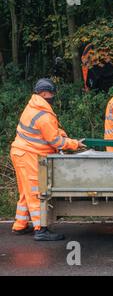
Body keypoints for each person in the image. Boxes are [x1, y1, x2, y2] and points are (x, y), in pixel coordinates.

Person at [10, 78, 85, 241]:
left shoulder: (34, 106)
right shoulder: (43, 114)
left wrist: (62, 134)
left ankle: (20, 225)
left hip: (21, 152)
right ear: (45, 93)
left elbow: (50, 130)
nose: (53, 96)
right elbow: (55, 141)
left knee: (26, 191)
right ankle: (40, 229)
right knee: (36, 192)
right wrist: (74, 144)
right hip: (28, 154)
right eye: (52, 93)